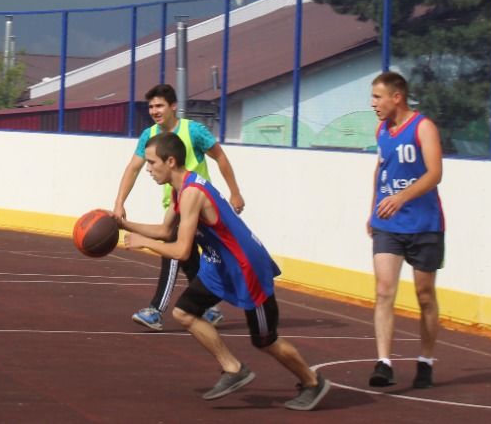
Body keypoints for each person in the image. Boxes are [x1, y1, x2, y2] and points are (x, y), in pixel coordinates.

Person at [117, 131, 330, 412]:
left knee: (266, 341)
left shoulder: (192, 193)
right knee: (184, 312)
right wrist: (124, 224)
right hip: (221, 265)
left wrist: (145, 244)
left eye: (152, 162)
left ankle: (313, 381)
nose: (148, 169)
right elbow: (165, 230)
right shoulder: (180, 188)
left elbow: (181, 250)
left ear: (170, 161)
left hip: (247, 269)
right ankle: (233, 368)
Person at [112, 82, 245, 331]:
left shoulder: (194, 131)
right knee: (188, 258)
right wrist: (119, 203)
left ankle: (155, 310)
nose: (155, 110)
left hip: (199, 202)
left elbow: (220, 157)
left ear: (173, 106)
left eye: (160, 105)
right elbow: (133, 168)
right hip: (174, 203)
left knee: (173, 248)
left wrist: (235, 192)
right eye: (151, 106)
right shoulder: (149, 136)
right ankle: (207, 307)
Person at [367, 71, 444, 390]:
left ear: (396, 97)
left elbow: (435, 174)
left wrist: (400, 197)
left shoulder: (423, 127)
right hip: (389, 224)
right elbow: (380, 168)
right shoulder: (381, 129)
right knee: (384, 290)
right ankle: (384, 363)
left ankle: (425, 360)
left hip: (424, 223)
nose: (373, 104)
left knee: (424, 296)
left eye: (377, 97)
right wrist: (374, 209)